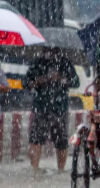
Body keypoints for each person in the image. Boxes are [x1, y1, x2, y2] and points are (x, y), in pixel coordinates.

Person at [22, 45, 77, 173]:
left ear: (58, 50)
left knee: (61, 140)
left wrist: (61, 79)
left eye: (53, 50)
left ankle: (61, 170)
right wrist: (38, 81)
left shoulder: (65, 63)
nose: (50, 52)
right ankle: (34, 169)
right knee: (36, 138)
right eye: (47, 49)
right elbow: (26, 83)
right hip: (41, 107)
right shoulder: (37, 64)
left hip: (60, 108)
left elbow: (75, 82)